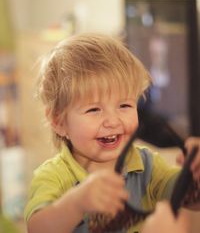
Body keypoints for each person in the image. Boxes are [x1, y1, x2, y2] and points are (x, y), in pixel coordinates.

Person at [24, 33, 200, 233]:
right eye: (94, 110)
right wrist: (75, 204)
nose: (113, 121)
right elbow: (37, 229)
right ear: (58, 121)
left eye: (124, 105)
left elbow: (189, 199)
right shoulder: (54, 177)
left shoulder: (147, 165)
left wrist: (194, 175)